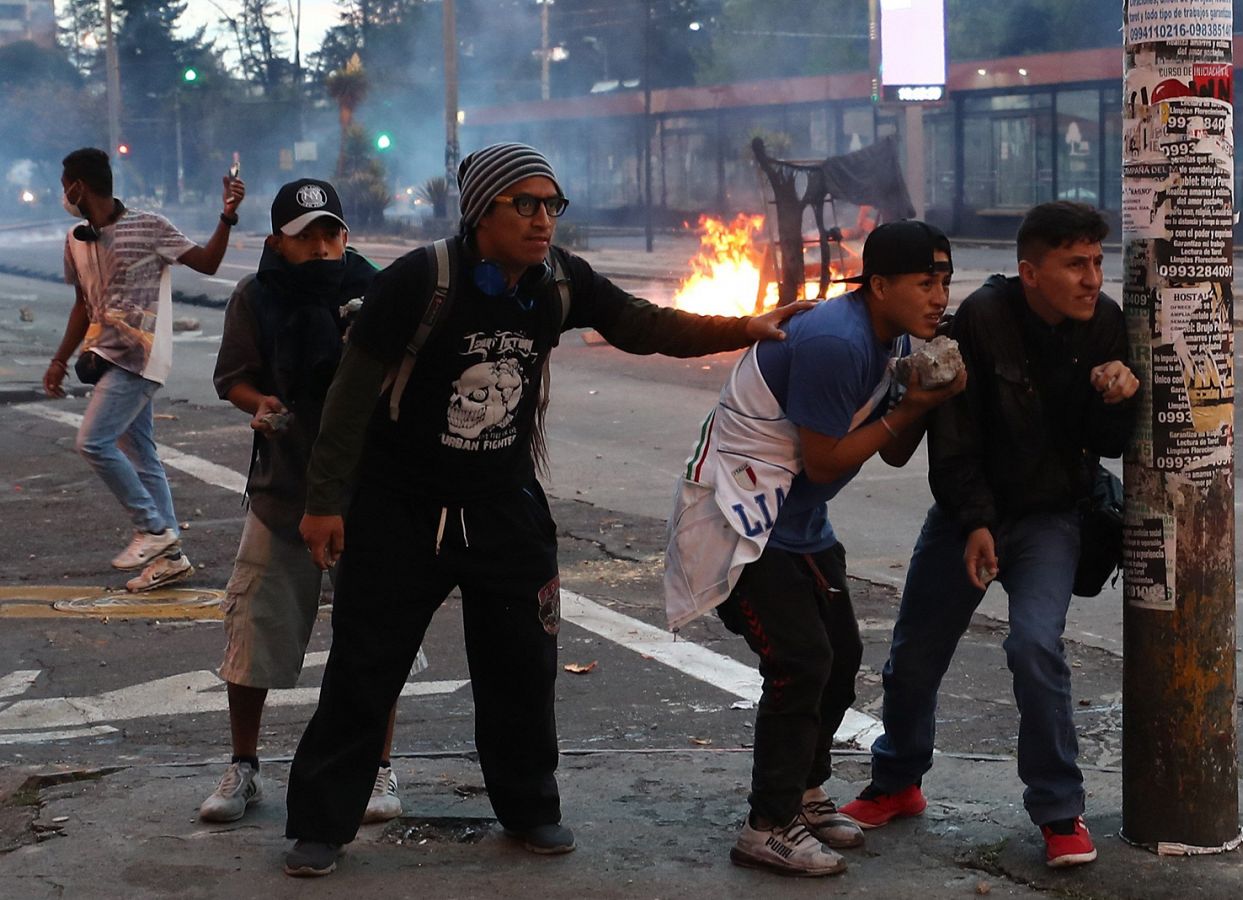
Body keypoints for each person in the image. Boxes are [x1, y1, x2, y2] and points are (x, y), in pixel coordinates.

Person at [279, 143, 808, 878]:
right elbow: (349, 398)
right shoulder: (421, 281)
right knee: (366, 669)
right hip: (402, 510)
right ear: (481, 212)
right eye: (523, 204)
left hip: (504, 509)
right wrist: (324, 503)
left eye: (551, 204)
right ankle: (319, 825)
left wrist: (742, 327)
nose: (542, 220)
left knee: (523, 667)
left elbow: (643, 325)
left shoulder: (560, 281)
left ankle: (530, 808)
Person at [662, 219, 966, 878]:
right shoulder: (838, 341)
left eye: (945, 279)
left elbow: (887, 446)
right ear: (878, 284)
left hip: (800, 524)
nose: (940, 294)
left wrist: (924, 398)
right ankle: (766, 827)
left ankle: (802, 793)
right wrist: (913, 407)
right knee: (801, 661)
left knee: (841, 655)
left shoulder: (898, 338)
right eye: (925, 281)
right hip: (744, 516)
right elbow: (826, 461)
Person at [838, 202, 1138, 869]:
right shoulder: (983, 317)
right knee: (914, 656)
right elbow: (954, 438)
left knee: (1036, 648)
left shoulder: (1107, 325)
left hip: (1051, 518)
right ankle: (897, 781)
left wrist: (1119, 396)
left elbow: (1109, 444)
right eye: (1074, 264)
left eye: (1096, 262)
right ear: (1031, 271)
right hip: (968, 515)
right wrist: (974, 522)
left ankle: (1060, 814)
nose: (1092, 278)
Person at [201, 179, 410, 826]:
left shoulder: (377, 292)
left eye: (331, 233)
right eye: (305, 237)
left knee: (374, 639)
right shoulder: (255, 297)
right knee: (254, 634)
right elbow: (232, 378)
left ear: (345, 236)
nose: (321, 247)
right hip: (281, 494)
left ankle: (377, 771)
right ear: (277, 243)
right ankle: (244, 768)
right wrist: (258, 404)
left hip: (367, 496)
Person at [42, 147, 245, 591]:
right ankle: (170, 558)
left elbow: (207, 262)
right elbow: (82, 304)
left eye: (64, 187)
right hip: (103, 356)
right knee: (142, 456)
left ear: (78, 186)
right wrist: (59, 359)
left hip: (139, 356)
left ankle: (152, 529)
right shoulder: (76, 239)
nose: (63, 196)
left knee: (93, 441)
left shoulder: (148, 226)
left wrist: (226, 217)